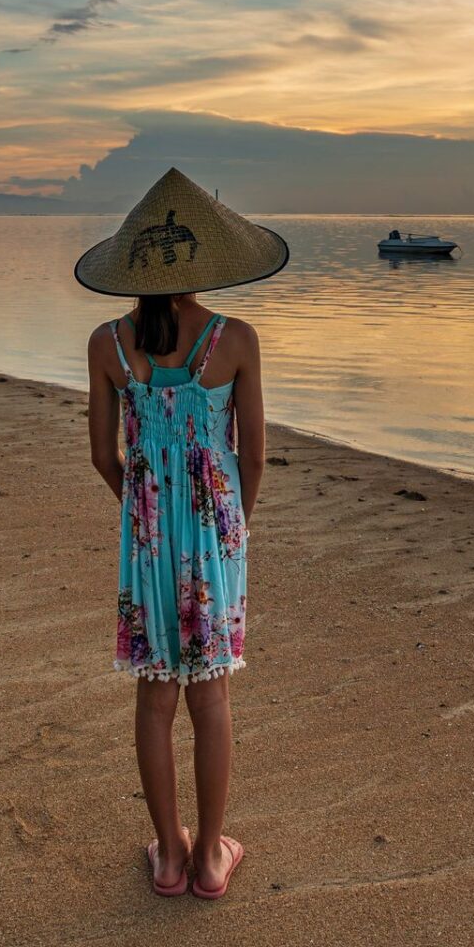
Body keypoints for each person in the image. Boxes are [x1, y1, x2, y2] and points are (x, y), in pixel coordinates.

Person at [77, 168, 286, 900]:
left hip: (147, 534)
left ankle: (169, 853)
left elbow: (106, 455)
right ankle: (209, 860)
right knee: (212, 697)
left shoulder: (108, 343)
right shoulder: (234, 341)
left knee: (155, 696)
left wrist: (143, 507)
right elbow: (253, 453)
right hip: (214, 535)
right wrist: (235, 523)